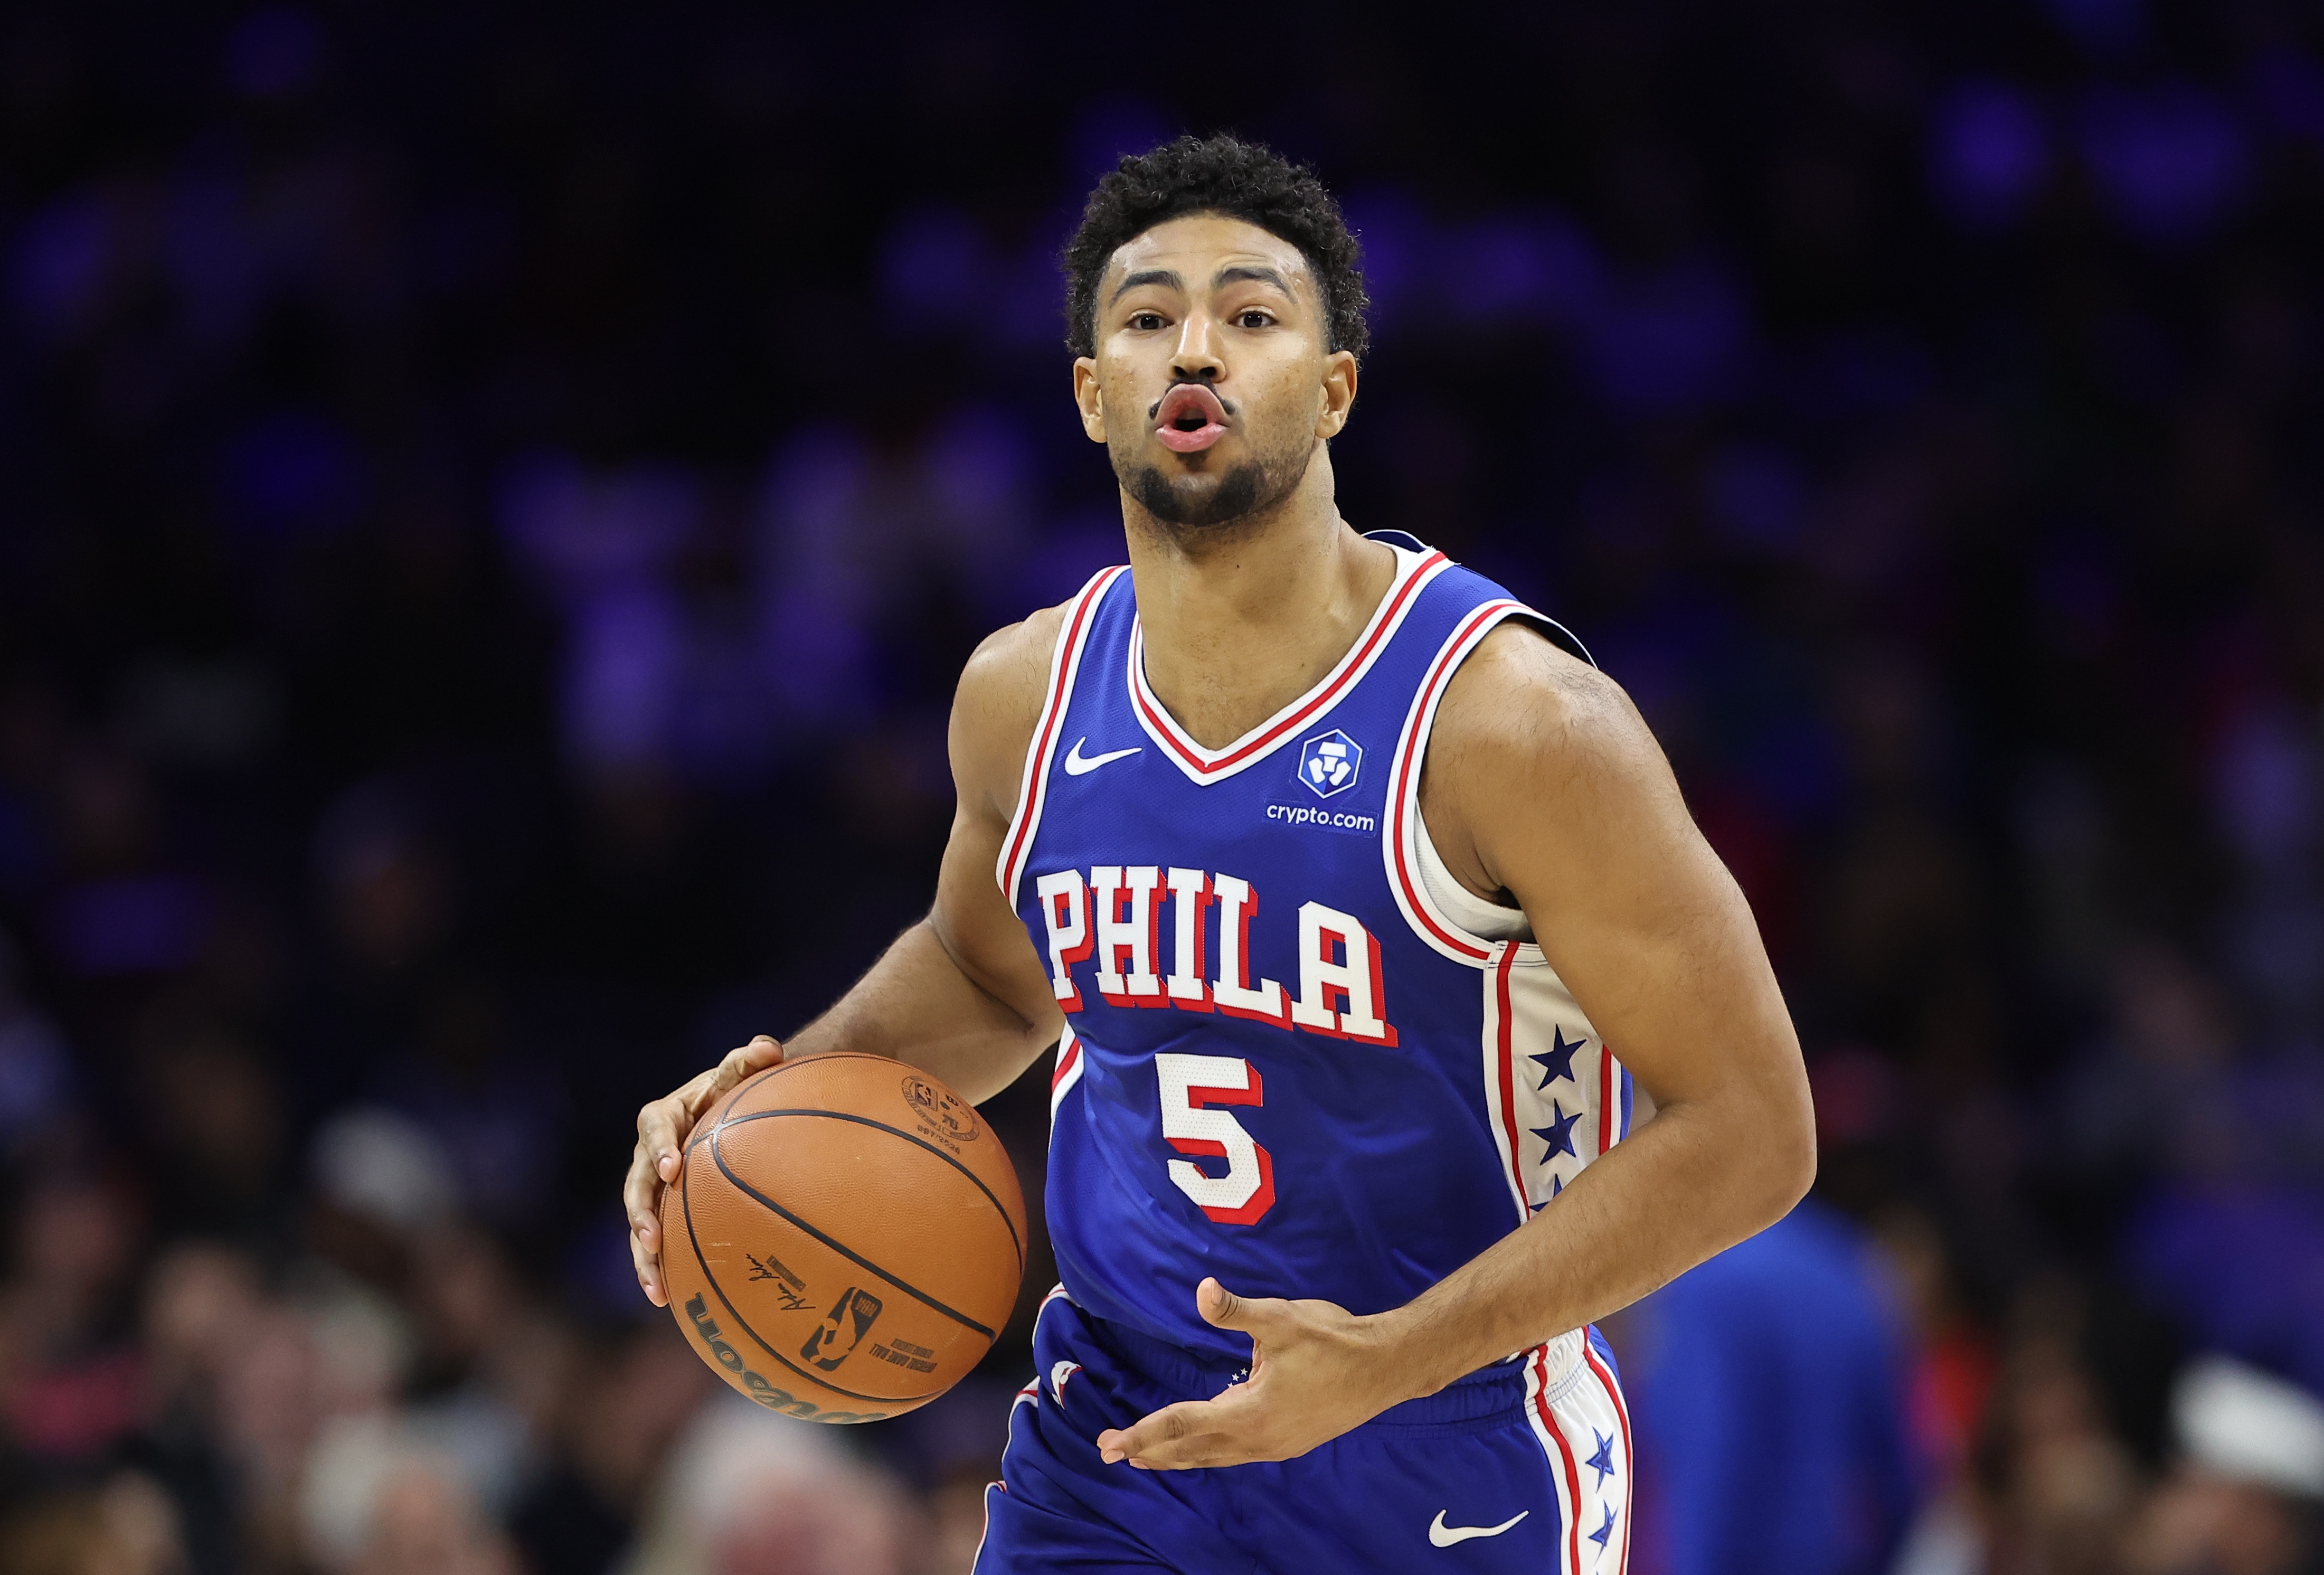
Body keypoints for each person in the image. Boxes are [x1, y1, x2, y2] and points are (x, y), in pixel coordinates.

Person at [623, 134, 1814, 1573]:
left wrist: (1389, 1356)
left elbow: (1753, 1129)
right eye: (1147, 318)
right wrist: (764, 1102)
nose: (1194, 348)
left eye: (1251, 314)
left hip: (1445, 1441)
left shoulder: (1515, 726)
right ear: (1091, 394)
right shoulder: (1023, 696)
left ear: (1336, 387)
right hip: (1117, 1441)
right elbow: (991, 977)